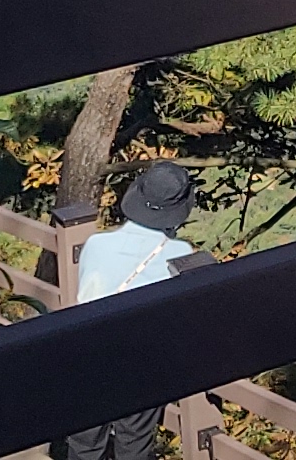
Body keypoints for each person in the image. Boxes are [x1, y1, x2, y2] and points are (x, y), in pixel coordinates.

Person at [58, 162, 200, 460]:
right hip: (140, 364)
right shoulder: (180, 255)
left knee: (84, 446)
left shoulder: (95, 245)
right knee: (134, 444)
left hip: (86, 354)